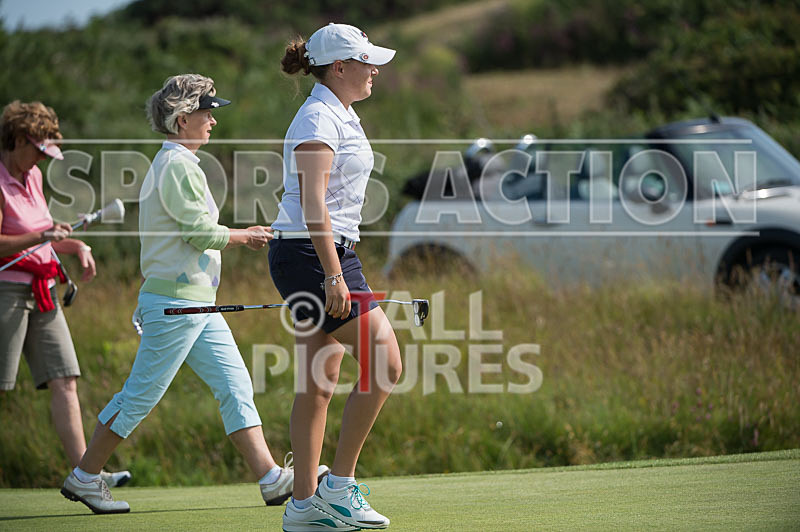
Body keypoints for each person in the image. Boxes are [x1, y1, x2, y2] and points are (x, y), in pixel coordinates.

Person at [60, 75, 327, 514]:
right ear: (182, 121)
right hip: (177, 303)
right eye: (206, 114)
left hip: (196, 302)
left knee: (235, 384)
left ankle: (270, 477)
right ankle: (85, 477)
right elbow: (199, 232)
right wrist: (247, 236)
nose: (212, 123)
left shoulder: (178, 163)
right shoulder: (177, 165)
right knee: (141, 394)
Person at [271, 24, 403, 531]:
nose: (375, 70)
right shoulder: (317, 117)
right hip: (313, 254)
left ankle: (303, 506)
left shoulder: (342, 112)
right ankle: (339, 487)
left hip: (321, 253)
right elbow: (312, 204)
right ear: (340, 67)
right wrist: (332, 274)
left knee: (318, 383)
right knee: (386, 363)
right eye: (366, 62)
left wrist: (334, 267)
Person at [0, 100, 131, 489]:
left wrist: (76, 247)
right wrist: (42, 235)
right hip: (6, 293)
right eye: (39, 150)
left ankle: (86, 475)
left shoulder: (34, 177)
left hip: (44, 292)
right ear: (20, 139)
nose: (42, 159)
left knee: (65, 379)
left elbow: (42, 239)